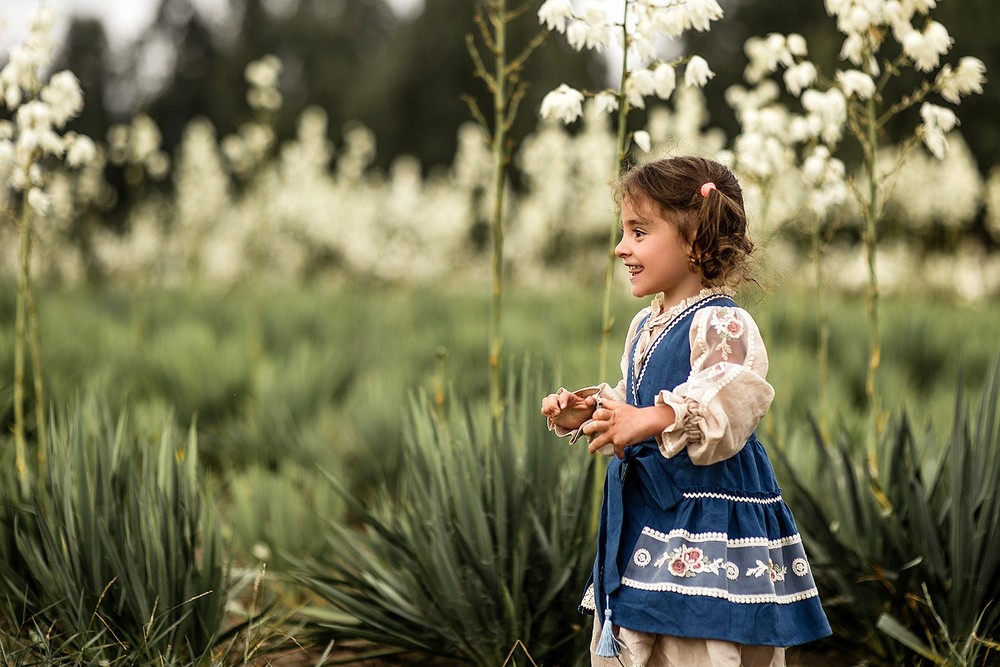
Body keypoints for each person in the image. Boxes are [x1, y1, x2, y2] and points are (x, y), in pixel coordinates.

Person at [541, 156, 831, 666]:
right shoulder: (642, 326)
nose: (621, 247)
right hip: (650, 515)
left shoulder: (722, 322)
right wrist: (592, 411)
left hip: (707, 517)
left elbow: (727, 394)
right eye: (623, 231)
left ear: (695, 241)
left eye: (638, 231)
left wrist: (648, 419)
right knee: (639, 627)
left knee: (698, 637)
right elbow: (640, 400)